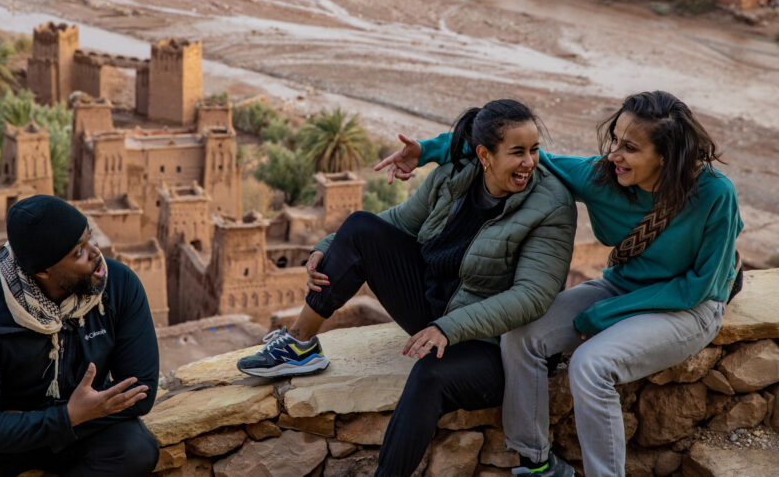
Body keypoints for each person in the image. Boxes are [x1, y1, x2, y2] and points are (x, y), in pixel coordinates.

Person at [377, 91, 742, 477]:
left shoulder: (715, 194)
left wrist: (600, 316)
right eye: (615, 140)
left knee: (591, 363)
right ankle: (536, 464)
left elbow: (698, 287)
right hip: (622, 288)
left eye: (630, 148)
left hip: (689, 307)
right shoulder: (603, 177)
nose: (614, 154)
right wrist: (429, 151)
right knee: (521, 336)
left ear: (666, 156)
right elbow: (514, 150)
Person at [237, 99, 576, 476]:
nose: (530, 162)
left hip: (497, 345)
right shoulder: (454, 177)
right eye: (518, 152)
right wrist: (327, 247)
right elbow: (397, 222)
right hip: (435, 310)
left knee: (428, 376)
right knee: (360, 227)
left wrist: (450, 328)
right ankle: (300, 343)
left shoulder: (551, 205)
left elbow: (532, 296)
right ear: (484, 155)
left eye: (534, 150)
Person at [0, 195, 160, 477]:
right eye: (78, 252)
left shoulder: (118, 286)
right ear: (42, 272)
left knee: (136, 450)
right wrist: (67, 416)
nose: (95, 253)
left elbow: (140, 393)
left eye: (89, 239)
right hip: (2, 442)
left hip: (75, 428)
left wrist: (77, 416)